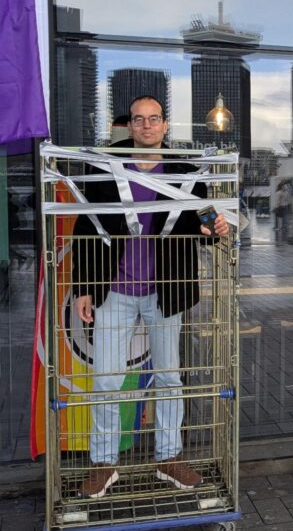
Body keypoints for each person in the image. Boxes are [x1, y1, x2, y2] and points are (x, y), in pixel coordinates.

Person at [72, 96, 229, 499]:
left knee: (169, 377)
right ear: (129, 126)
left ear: (164, 125)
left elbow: (202, 214)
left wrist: (215, 227)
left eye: (153, 119)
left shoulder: (184, 167)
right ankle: (103, 464)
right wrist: (82, 288)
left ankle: (169, 458)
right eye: (139, 119)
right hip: (113, 290)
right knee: (107, 380)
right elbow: (85, 227)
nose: (146, 125)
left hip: (165, 290)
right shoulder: (105, 167)